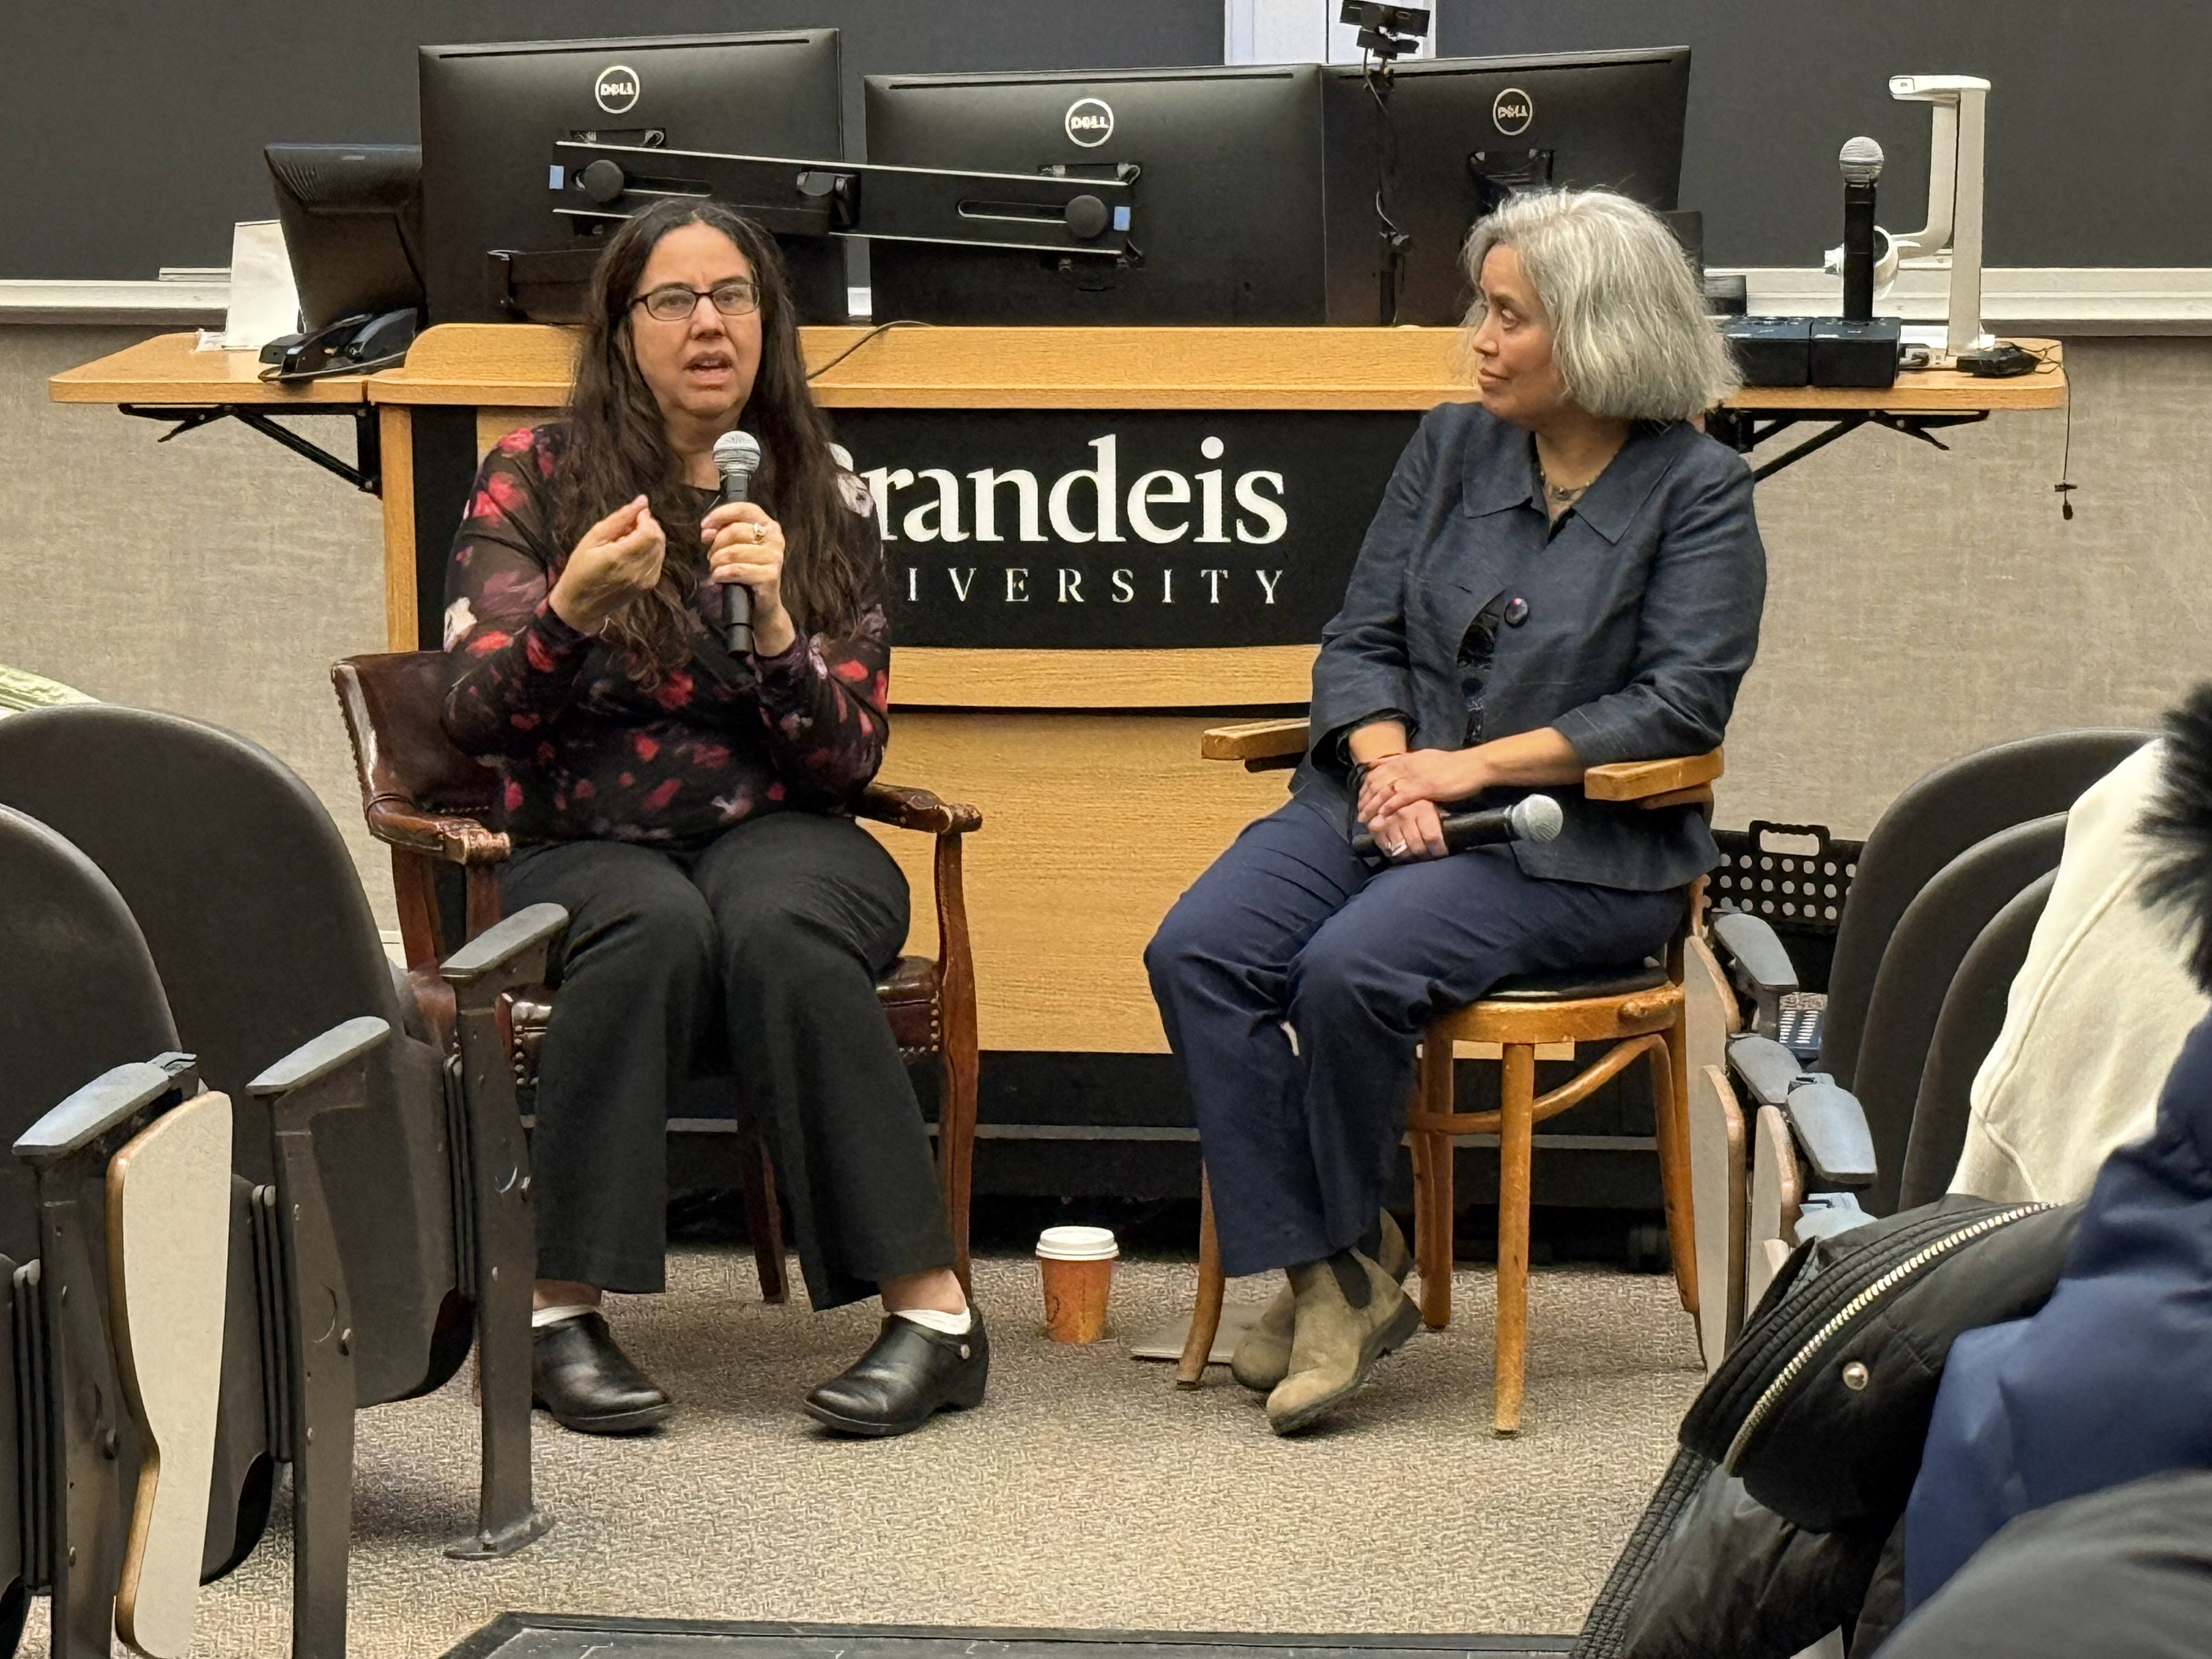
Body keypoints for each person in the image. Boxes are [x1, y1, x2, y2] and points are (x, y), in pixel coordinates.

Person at [1146, 189, 1765, 1434]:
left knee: (1348, 969)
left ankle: (1332, 1276)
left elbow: (1677, 706)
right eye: (1482, 310)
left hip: (1576, 847)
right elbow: (1362, 637)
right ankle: (1337, 1269)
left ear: (1599, 336)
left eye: (1509, 317)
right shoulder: (1450, 447)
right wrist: (1389, 767)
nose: (1479, 341)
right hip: (1381, 795)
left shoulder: (1699, 490)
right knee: (1200, 948)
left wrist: (1464, 773)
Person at [440, 198, 983, 1439]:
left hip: (786, 830)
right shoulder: (535, 475)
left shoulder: (819, 490)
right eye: (674, 300)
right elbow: (474, 717)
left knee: (780, 926)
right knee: (652, 926)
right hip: (580, 841)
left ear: (768, 322)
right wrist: (570, 613)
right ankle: (555, 1318)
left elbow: (849, 760)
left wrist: (781, 631)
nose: (708, 325)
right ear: (622, 328)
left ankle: (937, 1317)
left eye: (733, 296)